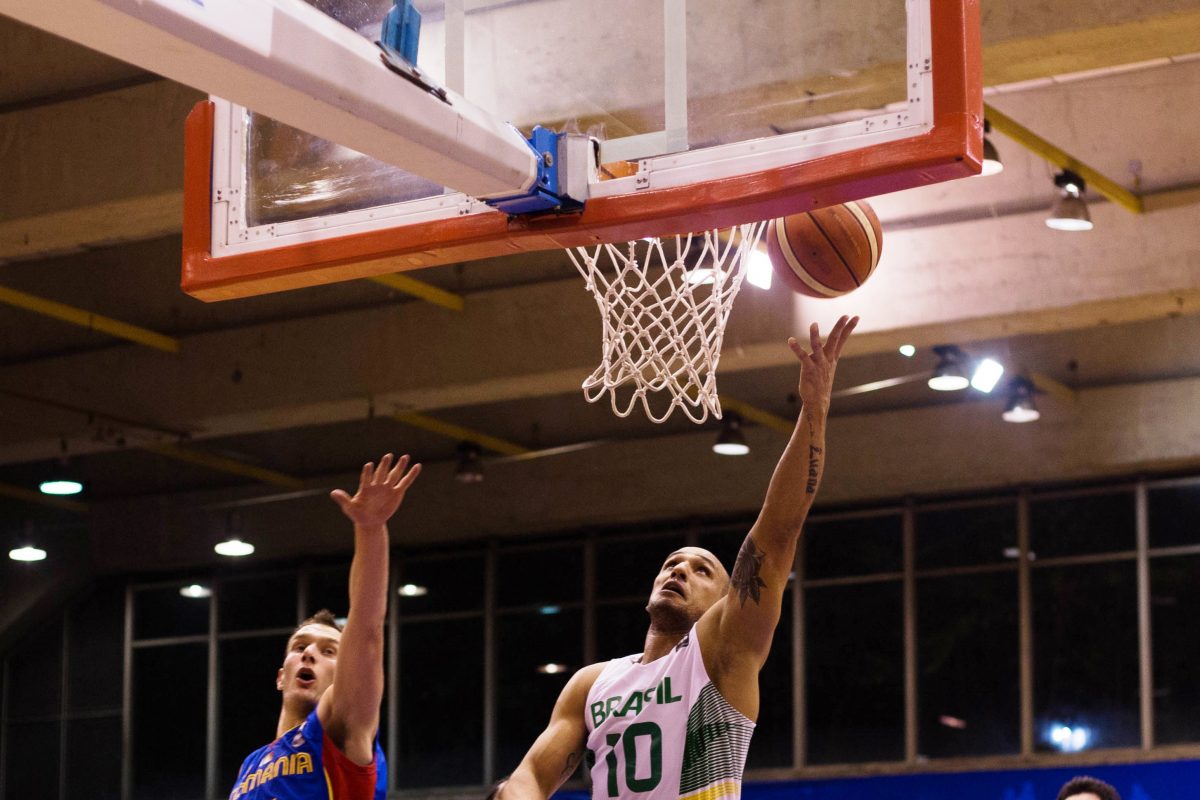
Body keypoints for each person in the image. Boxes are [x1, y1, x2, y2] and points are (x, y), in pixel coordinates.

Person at [493, 315, 858, 800]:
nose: (680, 570)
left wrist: (814, 411)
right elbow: (532, 775)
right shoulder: (593, 682)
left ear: (727, 599)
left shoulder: (722, 651)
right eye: (671, 564)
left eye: (702, 569)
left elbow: (778, 528)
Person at [228, 453, 422, 800]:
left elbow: (366, 629)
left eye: (329, 651)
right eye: (300, 646)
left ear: (344, 672)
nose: (309, 654)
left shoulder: (338, 730)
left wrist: (370, 529)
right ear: (280, 676)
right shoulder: (251, 765)